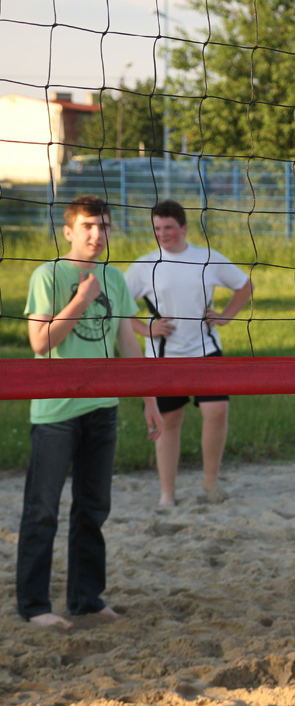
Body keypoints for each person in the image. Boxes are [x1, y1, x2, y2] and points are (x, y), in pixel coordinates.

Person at [19, 195, 163, 631]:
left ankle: (85, 599)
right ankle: (34, 606)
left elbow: (128, 344)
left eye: (104, 226)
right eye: (88, 226)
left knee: (93, 508)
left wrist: (149, 399)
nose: (98, 234)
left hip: (103, 408)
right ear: (69, 231)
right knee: (43, 510)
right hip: (56, 411)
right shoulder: (48, 275)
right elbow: (40, 342)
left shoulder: (114, 278)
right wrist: (82, 298)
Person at [125, 200, 254, 506]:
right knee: (169, 420)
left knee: (217, 410)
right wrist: (145, 329)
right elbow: (117, 305)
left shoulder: (206, 258)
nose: (162, 233)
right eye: (157, 228)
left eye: (168, 227)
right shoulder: (144, 266)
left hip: (205, 351)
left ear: (183, 228)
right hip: (163, 358)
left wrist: (225, 316)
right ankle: (167, 494)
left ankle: (210, 483)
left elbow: (245, 285)